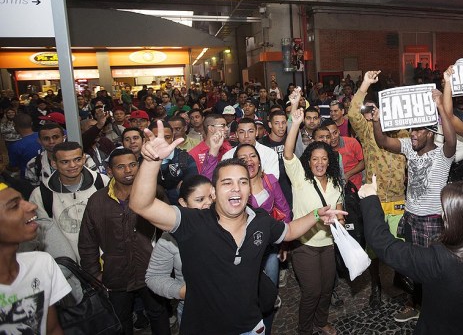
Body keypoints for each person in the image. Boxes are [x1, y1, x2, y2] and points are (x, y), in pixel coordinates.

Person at [129, 121, 345, 334]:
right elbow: (142, 205)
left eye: (243, 182)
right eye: (227, 183)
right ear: (213, 191)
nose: (236, 188)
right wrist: (151, 161)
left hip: (251, 327)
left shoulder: (259, 220)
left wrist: (317, 214)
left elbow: (289, 231)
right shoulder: (193, 221)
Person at [360, 177, 463, 334]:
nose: (441, 214)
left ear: (451, 219)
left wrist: (371, 198)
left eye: (444, 211)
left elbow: (383, 244)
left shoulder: (438, 259)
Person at [373, 83, 457, 322]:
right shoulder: (410, 148)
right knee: (411, 266)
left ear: (430, 133)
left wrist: (440, 106)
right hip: (410, 217)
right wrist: (376, 121)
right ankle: (413, 302)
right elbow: (384, 143)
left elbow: (451, 140)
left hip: (431, 221)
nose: (413, 135)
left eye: (418, 131)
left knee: (431, 268)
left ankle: (432, 306)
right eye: (411, 131)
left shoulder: (443, 154)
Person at [78, 147, 170, 335]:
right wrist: (95, 274)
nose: (128, 170)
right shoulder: (97, 201)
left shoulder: (155, 192)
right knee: (121, 321)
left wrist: (166, 268)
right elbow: (87, 242)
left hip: (150, 270)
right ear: (110, 171)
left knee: (158, 314)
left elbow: (168, 232)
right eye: (121, 167)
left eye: (132, 165)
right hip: (115, 274)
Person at [347, 70, 407, 308]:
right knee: (373, 249)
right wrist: (364, 85)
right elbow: (352, 112)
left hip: (400, 198)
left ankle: (400, 282)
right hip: (376, 199)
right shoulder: (368, 129)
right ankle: (376, 288)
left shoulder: (406, 132)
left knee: (401, 246)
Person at [283, 106, 344, 335]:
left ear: (330, 162)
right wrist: (295, 124)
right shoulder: (300, 178)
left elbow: (338, 212)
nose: (319, 163)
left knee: (327, 289)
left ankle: (321, 322)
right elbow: (288, 153)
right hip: (304, 245)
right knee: (312, 292)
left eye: (324, 159)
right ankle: (304, 329)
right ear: (309, 161)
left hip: (327, 245)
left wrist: (335, 221)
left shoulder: (336, 183)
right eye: (315, 159)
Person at [234, 144, 291, 335]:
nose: (249, 161)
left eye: (252, 156)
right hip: (241, 251)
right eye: (243, 158)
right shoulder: (233, 187)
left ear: (259, 160)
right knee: (245, 295)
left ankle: (266, 328)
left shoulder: (270, 180)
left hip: (269, 248)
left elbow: (285, 212)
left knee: (269, 294)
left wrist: (284, 242)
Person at [0, 183, 71, 335]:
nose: (32, 206)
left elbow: (52, 329)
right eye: (14, 206)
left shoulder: (41, 263)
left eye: (23, 200)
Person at [145, 175, 214, 326]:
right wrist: (183, 292)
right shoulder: (171, 238)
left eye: (211, 197)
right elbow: (154, 277)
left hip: (231, 308)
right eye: (200, 199)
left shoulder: (229, 224)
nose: (208, 203)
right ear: (183, 202)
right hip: (194, 311)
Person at [28, 142, 110, 258]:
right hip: (68, 267)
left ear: (84, 159)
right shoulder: (41, 194)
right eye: (65, 162)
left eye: (77, 159)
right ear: (54, 164)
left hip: (106, 259)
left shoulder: (102, 182)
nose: (73, 165)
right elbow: (41, 234)